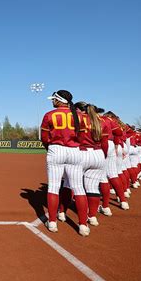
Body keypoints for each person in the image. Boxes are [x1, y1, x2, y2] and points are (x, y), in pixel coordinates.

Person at [41, 90, 90, 236]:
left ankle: (52, 222)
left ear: (58, 100)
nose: (52, 101)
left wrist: (49, 148)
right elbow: (83, 136)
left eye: (53, 99)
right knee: (78, 188)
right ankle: (83, 225)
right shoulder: (79, 115)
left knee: (54, 187)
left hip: (56, 150)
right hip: (74, 151)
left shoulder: (49, 114)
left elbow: (44, 137)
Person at [75, 102, 108, 228]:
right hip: (98, 153)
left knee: (76, 186)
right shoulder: (101, 121)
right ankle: (93, 217)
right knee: (93, 188)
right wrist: (103, 156)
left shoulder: (79, 118)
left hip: (82, 153)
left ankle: (63, 213)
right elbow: (105, 143)